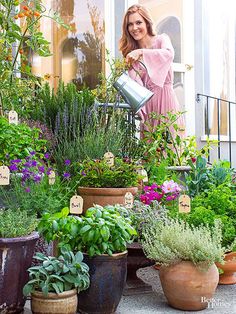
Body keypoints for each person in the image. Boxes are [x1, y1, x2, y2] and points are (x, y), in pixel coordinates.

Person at [119, 4, 185, 133]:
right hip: (149, 107)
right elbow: (137, 88)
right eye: (130, 24)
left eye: (138, 22)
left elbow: (168, 54)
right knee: (151, 150)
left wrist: (141, 52)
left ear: (147, 23)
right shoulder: (132, 56)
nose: (134, 28)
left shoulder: (161, 40)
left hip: (167, 103)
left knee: (170, 149)